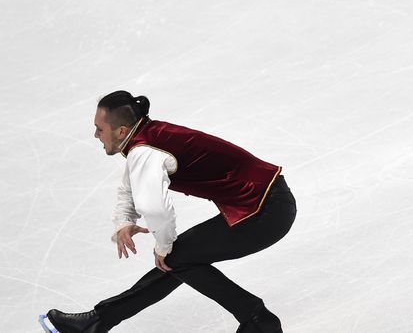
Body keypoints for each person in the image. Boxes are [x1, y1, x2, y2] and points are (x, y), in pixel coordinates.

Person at [44, 91, 296, 333]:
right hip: (260, 205)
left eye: (100, 129)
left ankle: (258, 320)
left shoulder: (144, 150)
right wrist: (124, 221)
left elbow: (156, 208)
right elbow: (129, 185)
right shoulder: (144, 138)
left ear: (121, 131)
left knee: (175, 258)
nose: (95, 134)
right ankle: (96, 323)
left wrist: (163, 246)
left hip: (264, 212)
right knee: (178, 259)